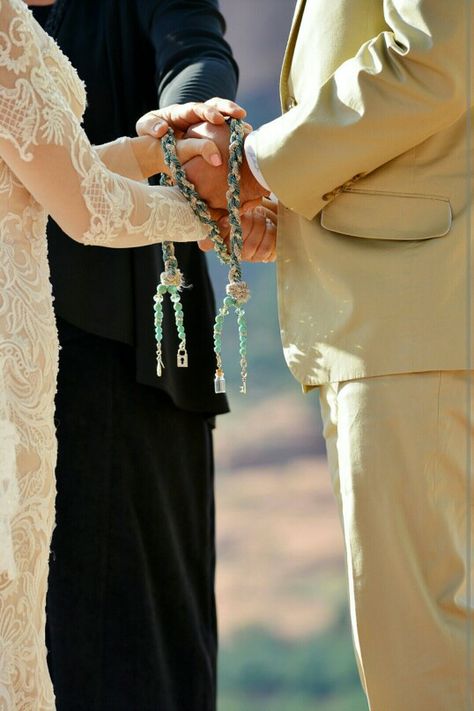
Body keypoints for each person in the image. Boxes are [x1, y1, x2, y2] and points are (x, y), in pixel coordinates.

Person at [173, 0, 474, 708]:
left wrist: (256, 164)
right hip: (396, 312)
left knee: (418, 663)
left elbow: (433, 60)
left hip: (406, 321)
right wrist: (290, 216)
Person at [0, 1, 262, 708]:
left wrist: (183, 133)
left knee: (136, 644)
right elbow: (85, 202)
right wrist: (219, 215)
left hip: (129, 338)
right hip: (34, 349)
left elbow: (193, 52)